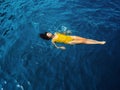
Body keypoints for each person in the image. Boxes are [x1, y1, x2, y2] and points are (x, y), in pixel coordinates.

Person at [39, 31, 106, 50]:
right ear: (48, 37)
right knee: (84, 42)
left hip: (71, 37)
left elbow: (63, 33)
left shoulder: (56, 32)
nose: (49, 33)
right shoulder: (53, 40)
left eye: (48, 33)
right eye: (48, 34)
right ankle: (99, 42)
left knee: (85, 39)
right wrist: (61, 47)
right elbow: (56, 46)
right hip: (70, 42)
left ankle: (98, 41)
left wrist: (67, 32)